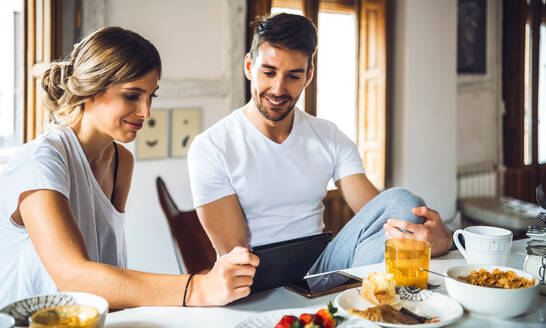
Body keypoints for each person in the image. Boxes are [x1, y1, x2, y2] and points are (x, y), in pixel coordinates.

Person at [0, 26, 259, 309]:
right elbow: (74, 278)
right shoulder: (41, 161)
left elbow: (108, 265)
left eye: (151, 96)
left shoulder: (121, 161)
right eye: (132, 96)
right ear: (92, 90)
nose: (146, 112)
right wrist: (195, 288)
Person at [187, 13, 452, 274]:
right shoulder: (211, 147)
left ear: (308, 75)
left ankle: (371, 289)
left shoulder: (328, 135)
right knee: (396, 251)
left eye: (293, 76)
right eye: (268, 72)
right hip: (253, 277)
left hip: (320, 268)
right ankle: (369, 287)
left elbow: (382, 215)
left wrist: (441, 239)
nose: (278, 89)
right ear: (249, 67)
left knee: (403, 202)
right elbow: (235, 256)